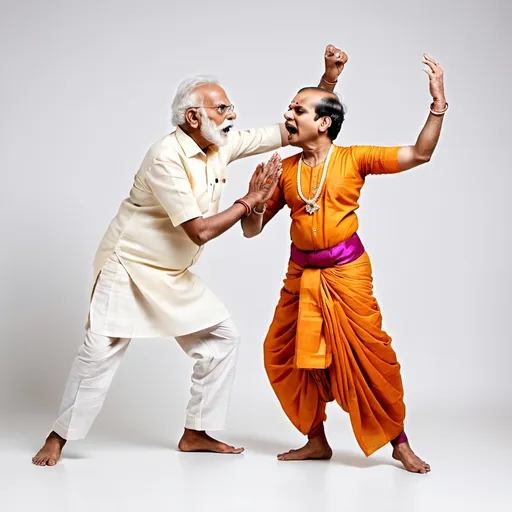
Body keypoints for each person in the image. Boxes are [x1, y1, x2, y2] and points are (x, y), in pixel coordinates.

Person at [31, 46, 348, 466]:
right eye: (222, 108)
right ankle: (58, 437)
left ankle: (196, 433)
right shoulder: (165, 156)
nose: (231, 114)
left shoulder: (221, 144)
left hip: (172, 273)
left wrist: (328, 83)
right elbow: (198, 230)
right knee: (99, 353)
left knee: (221, 338)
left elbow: (296, 131)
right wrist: (249, 201)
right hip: (128, 267)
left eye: (230, 106)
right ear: (194, 117)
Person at [242, 54, 447, 473]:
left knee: (368, 357)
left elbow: (420, 154)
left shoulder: (355, 158)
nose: (287, 114)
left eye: (297, 110)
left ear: (323, 124)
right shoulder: (284, 170)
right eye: (290, 107)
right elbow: (251, 232)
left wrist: (437, 103)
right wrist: (254, 204)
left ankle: (399, 443)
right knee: (282, 355)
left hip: (346, 274)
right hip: (300, 275)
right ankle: (316, 441)